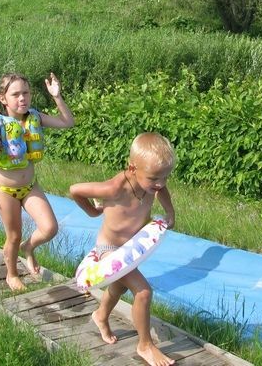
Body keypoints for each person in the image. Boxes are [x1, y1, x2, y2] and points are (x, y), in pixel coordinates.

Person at [69, 132, 176, 366]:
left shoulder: (153, 184)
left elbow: (161, 190)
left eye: (166, 177)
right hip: (110, 249)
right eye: (154, 178)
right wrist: (91, 211)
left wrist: (170, 212)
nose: (160, 183)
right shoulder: (114, 188)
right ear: (132, 167)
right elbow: (75, 189)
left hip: (131, 246)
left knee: (118, 287)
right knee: (143, 292)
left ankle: (100, 315)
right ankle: (145, 345)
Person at [0, 72, 74, 291]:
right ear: (3, 98)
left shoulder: (34, 117)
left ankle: (29, 248)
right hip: (6, 190)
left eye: (25, 93)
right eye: (15, 94)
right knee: (13, 236)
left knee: (50, 228)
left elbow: (67, 122)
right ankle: (12, 274)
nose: (22, 98)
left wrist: (57, 96)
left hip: (29, 186)